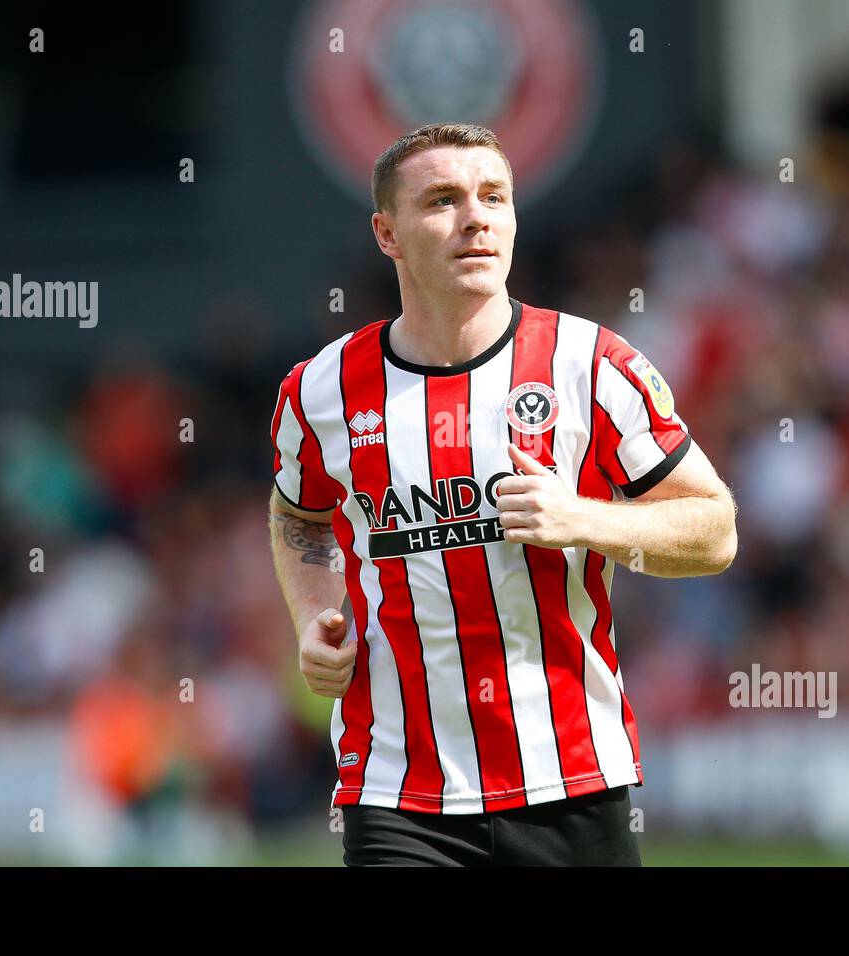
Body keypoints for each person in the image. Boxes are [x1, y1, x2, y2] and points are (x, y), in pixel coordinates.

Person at [269, 123, 737, 866]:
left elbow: (715, 531)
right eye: (444, 201)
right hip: (397, 791)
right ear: (387, 234)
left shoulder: (590, 365)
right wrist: (315, 614)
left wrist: (581, 518)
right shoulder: (321, 391)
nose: (476, 217)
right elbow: (299, 511)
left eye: (494, 197)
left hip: (571, 779)